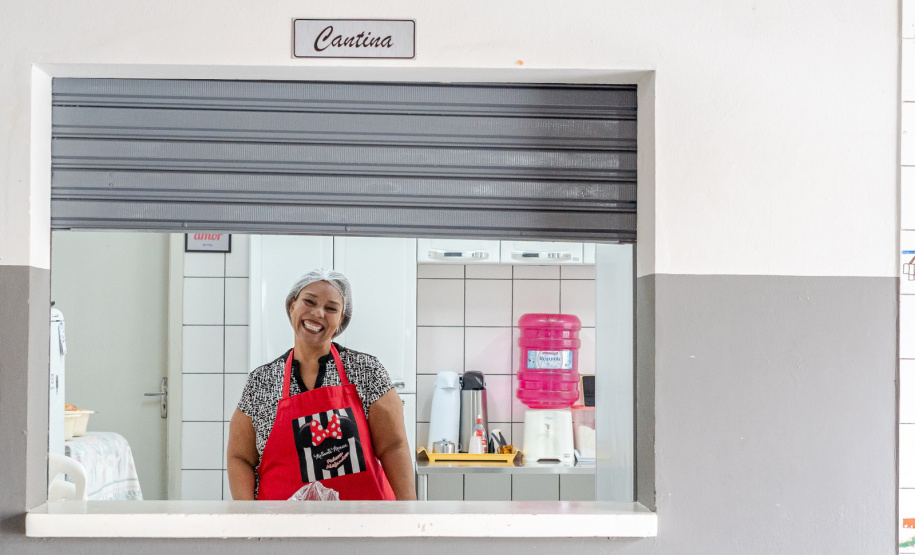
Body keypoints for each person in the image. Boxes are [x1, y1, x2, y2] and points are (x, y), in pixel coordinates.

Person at [227, 268, 416, 501]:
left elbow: (393, 447)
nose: (318, 313)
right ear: (292, 306)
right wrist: (248, 517)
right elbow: (240, 457)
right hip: (280, 528)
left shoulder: (366, 371)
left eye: (331, 308)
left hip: (360, 526)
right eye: (309, 301)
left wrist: (408, 513)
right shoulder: (262, 381)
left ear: (341, 320)